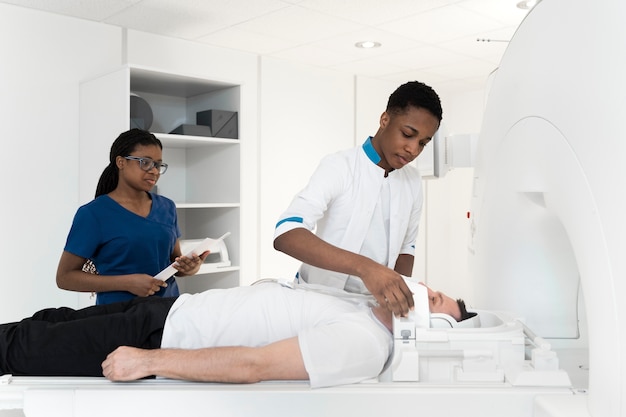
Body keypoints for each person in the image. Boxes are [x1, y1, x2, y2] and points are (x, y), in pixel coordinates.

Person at [0, 279, 472, 388]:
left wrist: (147, 362)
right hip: (171, 310)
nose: (423, 288)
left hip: (160, 341)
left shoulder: (364, 345)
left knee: (23, 349)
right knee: (48, 320)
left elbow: (254, 364)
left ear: (424, 328)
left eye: (433, 300)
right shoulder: (364, 306)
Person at [274, 81, 443, 317]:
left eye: (423, 143)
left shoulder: (412, 182)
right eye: (407, 134)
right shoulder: (340, 166)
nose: (413, 149)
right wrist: (366, 268)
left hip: (372, 310)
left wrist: (400, 301)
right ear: (385, 120)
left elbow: (407, 248)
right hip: (316, 302)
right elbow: (286, 234)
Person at [56, 128, 208, 305]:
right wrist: (127, 283)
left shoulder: (167, 207)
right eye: (145, 162)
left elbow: (173, 262)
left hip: (167, 312)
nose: (154, 171)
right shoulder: (93, 214)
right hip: (119, 318)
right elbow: (64, 277)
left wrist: (189, 268)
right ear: (121, 162)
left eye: (158, 165)